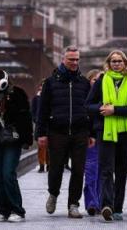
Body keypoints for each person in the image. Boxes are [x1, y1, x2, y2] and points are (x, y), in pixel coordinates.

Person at [36, 46, 94, 219]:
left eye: (77, 59)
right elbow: (43, 110)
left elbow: (90, 111)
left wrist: (92, 134)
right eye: (71, 59)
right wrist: (41, 134)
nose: (75, 62)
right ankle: (53, 194)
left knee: (78, 170)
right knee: (55, 169)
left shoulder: (84, 83)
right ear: (63, 59)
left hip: (80, 132)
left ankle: (73, 205)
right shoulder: (50, 82)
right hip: (57, 132)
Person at [86, 50, 127, 222]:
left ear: (125, 63)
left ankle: (118, 208)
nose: (116, 64)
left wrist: (114, 110)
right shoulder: (102, 81)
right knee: (106, 170)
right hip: (105, 131)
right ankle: (106, 206)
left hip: (125, 132)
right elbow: (88, 104)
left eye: (119, 61)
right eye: (113, 61)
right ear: (108, 64)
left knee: (122, 171)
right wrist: (102, 108)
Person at [0, 69, 33, 223]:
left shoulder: (17, 94)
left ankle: (17, 210)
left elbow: (26, 117)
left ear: (2, 83)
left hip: (13, 140)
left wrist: (27, 139)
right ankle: (2, 210)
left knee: (8, 174)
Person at [83, 69, 102, 216]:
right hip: (89, 140)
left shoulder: (105, 96)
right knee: (91, 172)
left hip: (103, 138)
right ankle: (92, 203)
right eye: (94, 79)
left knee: (103, 173)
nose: (96, 82)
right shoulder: (84, 97)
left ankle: (101, 202)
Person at [31, 82, 49, 173]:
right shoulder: (36, 98)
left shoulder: (50, 97)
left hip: (49, 124)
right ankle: (42, 165)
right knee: (41, 147)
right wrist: (36, 119)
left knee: (50, 147)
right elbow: (33, 110)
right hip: (40, 124)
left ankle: (49, 164)